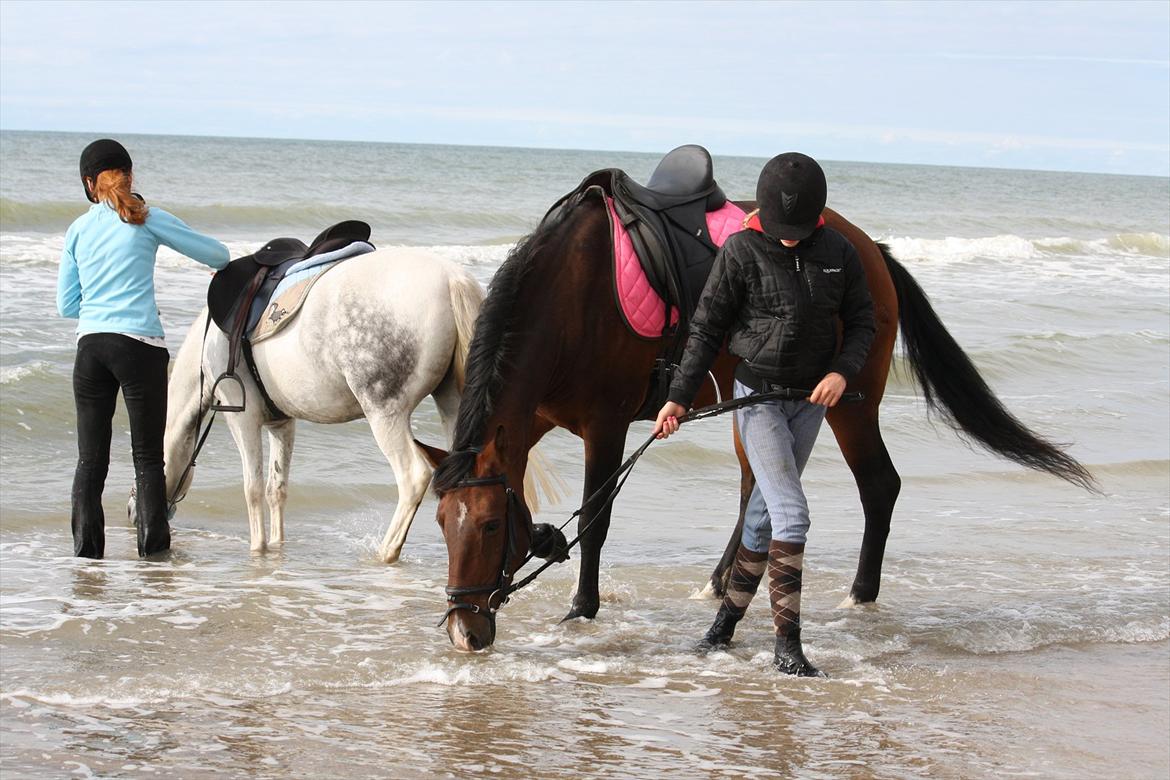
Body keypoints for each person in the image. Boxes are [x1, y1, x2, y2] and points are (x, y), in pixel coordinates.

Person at [653, 152, 875, 676]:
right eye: (782, 228)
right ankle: (788, 647)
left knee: (762, 516)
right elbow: (706, 330)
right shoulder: (741, 251)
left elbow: (862, 320)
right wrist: (679, 397)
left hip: (810, 404)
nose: (790, 237)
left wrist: (842, 372)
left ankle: (723, 628)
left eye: (799, 228)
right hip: (759, 401)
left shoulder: (839, 252)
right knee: (792, 514)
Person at [57, 139, 230, 559]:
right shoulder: (145, 217)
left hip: (90, 349)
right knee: (148, 459)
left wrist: (99, 303)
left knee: (90, 462)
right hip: (140, 347)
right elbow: (218, 255)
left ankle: (87, 561)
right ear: (130, 177)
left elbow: (67, 304)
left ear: (88, 183)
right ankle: (153, 561)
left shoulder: (78, 229)